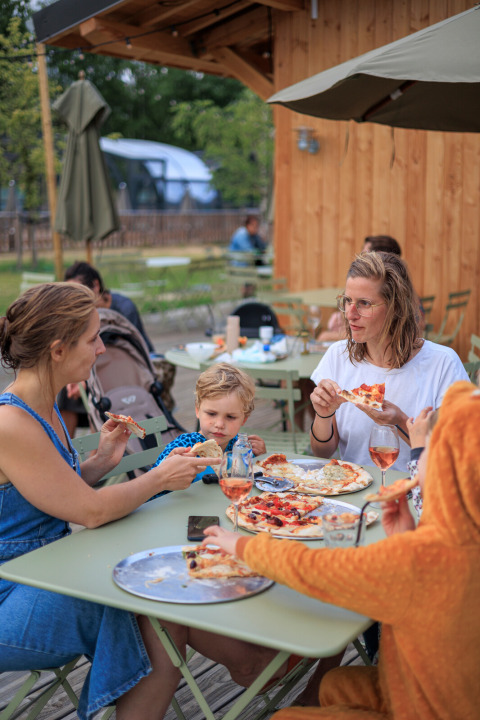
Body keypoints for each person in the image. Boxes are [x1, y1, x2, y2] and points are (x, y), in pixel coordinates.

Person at [0, 283, 293, 720]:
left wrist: (99, 461)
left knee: (156, 586)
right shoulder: (12, 421)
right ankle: (249, 663)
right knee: (150, 594)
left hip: (47, 569)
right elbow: (91, 511)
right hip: (12, 591)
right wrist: (158, 477)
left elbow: (48, 491)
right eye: (93, 338)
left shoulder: (42, 404)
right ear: (58, 350)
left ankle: (248, 663)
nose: (101, 348)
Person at [203, 378, 480, 720]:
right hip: (445, 691)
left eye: (427, 452)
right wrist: (404, 538)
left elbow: (314, 568)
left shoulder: (426, 559)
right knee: (332, 683)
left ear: (448, 470)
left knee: (283, 718)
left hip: (425, 710)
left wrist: (243, 545)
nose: (417, 460)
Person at [309, 251, 468, 472]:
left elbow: (453, 457)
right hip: (354, 492)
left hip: (417, 495)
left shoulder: (443, 364)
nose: (350, 314)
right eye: (347, 301)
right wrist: (323, 414)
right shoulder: (337, 356)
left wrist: (400, 422)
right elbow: (322, 452)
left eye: (364, 303)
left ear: (395, 308)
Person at [151, 363, 266, 493]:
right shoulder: (183, 446)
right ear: (197, 410)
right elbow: (151, 486)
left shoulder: (240, 448)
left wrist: (259, 459)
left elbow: (254, 479)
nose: (219, 424)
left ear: (244, 419)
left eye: (230, 417)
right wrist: (167, 469)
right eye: (211, 414)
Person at [64, 260, 154, 352]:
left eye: (80, 293)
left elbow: (135, 348)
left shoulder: (125, 309)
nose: (75, 300)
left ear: (95, 285)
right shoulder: (82, 313)